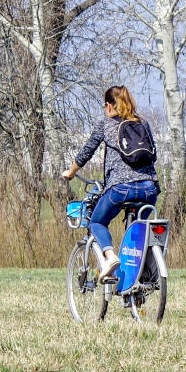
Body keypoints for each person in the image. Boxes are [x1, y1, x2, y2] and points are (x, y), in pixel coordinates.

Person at [62, 85, 159, 282]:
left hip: (121, 189)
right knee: (139, 230)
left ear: (108, 105)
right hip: (150, 188)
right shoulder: (142, 123)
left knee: (97, 221)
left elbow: (86, 152)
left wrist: (70, 173)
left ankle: (110, 257)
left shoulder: (107, 125)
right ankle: (143, 276)